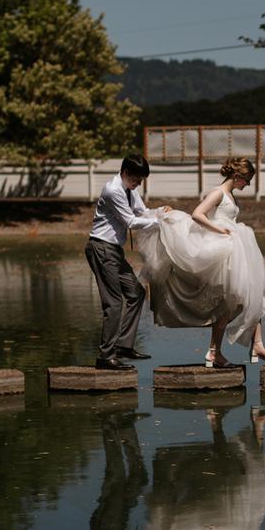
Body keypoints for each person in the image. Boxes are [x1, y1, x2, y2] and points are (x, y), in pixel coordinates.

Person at [137, 156, 265, 367]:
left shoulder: (229, 194)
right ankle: (219, 351)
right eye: (246, 181)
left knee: (250, 295)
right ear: (237, 176)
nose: (247, 185)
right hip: (221, 249)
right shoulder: (218, 193)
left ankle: (251, 345)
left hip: (235, 249)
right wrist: (219, 230)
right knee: (230, 303)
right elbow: (197, 214)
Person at [84, 156, 171, 370]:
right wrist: (159, 221)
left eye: (141, 180)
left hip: (113, 251)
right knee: (113, 303)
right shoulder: (113, 190)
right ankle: (105, 356)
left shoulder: (129, 189)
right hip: (101, 249)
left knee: (136, 293)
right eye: (137, 179)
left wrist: (163, 212)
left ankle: (123, 345)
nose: (139, 184)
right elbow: (131, 222)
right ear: (125, 172)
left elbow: (142, 212)